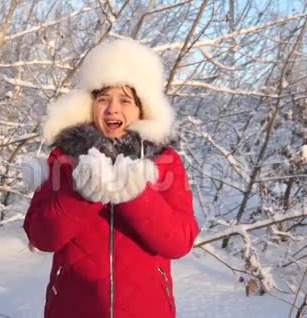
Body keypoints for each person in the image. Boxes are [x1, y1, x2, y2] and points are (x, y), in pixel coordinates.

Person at [22, 39, 199, 318]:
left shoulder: (166, 162)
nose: (112, 109)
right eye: (103, 98)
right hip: (73, 308)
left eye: (125, 100)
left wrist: (135, 195)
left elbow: (178, 242)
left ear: (143, 108)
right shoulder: (64, 158)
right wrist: (82, 194)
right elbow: (41, 236)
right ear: (90, 104)